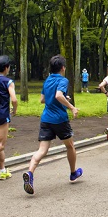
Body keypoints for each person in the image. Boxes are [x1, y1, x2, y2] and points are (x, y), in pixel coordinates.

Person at [23, 55, 82, 195]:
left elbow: (43, 99)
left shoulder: (47, 80)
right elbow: (58, 96)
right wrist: (72, 107)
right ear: (63, 68)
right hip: (60, 120)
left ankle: (30, 173)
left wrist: (62, 98)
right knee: (70, 146)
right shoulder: (63, 80)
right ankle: (73, 173)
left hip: (46, 119)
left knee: (42, 150)